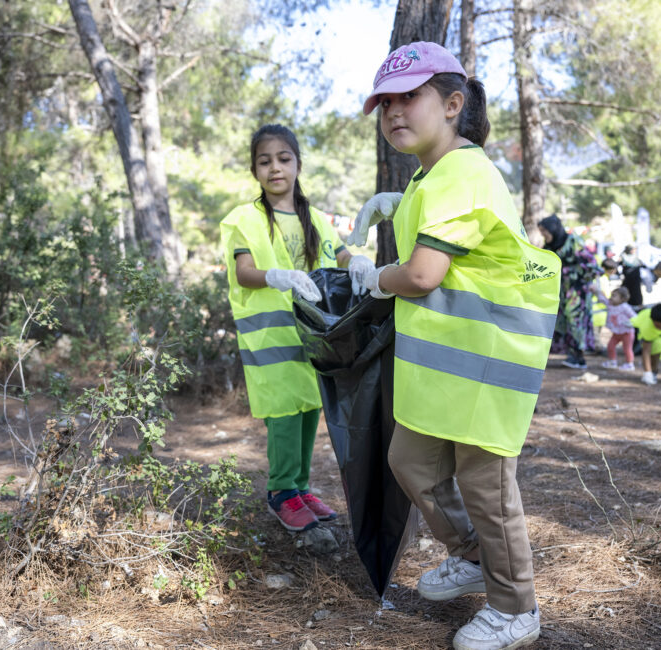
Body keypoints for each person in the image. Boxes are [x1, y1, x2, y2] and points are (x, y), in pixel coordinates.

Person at [347, 42, 560, 650]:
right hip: (449, 366)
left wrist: (374, 276)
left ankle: (517, 606)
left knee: (487, 487)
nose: (394, 112)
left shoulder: (462, 173)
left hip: (488, 360)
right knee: (409, 460)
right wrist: (402, 204)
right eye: (385, 102)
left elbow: (419, 276)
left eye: (409, 97)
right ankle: (470, 555)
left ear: (452, 103)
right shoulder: (432, 175)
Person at [220, 124, 375, 532]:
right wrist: (278, 276)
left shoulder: (316, 219)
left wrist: (357, 260)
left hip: (312, 336)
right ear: (254, 170)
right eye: (265, 161)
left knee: (308, 410)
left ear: (298, 165)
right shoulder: (245, 220)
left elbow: (339, 254)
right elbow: (245, 271)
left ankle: (301, 488)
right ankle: (281, 491)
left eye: (284, 159)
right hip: (272, 339)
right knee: (285, 416)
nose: (275, 168)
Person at [538, 214, 601, 370]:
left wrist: (585, 279)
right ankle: (572, 355)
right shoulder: (549, 246)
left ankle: (579, 357)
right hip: (560, 292)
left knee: (575, 321)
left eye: (545, 231)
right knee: (563, 322)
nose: (543, 235)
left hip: (576, 290)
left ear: (553, 229)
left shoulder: (572, 242)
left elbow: (591, 264)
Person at [599, 287, 637, 370]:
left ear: (622, 298)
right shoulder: (610, 304)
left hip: (627, 332)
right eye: (612, 295)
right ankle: (612, 361)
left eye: (614, 296)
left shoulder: (625, 307)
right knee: (610, 346)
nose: (611, 297)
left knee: (627, 349)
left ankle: (629, 364)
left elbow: (634, 316)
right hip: (616, 332)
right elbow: (602, 299)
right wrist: (597, 291)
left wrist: (631, 323)